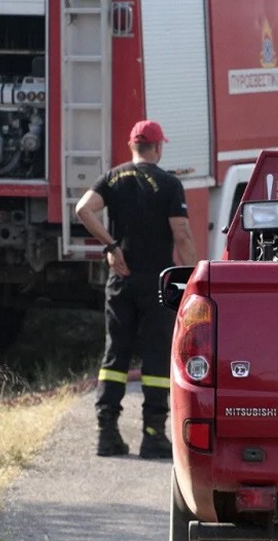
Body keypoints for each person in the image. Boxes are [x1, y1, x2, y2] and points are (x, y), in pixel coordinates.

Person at [75, 119, 198, 459]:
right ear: (157, 148)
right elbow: (182, 235)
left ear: (132, 146)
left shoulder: (112, 177)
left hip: (121, 280)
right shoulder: (169, 183)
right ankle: (153, 434)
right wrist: (193, 278)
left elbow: (83, 209)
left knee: (115, 354)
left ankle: (106, 432)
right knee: (157, 355)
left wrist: (111, 246)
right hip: (157, 281)